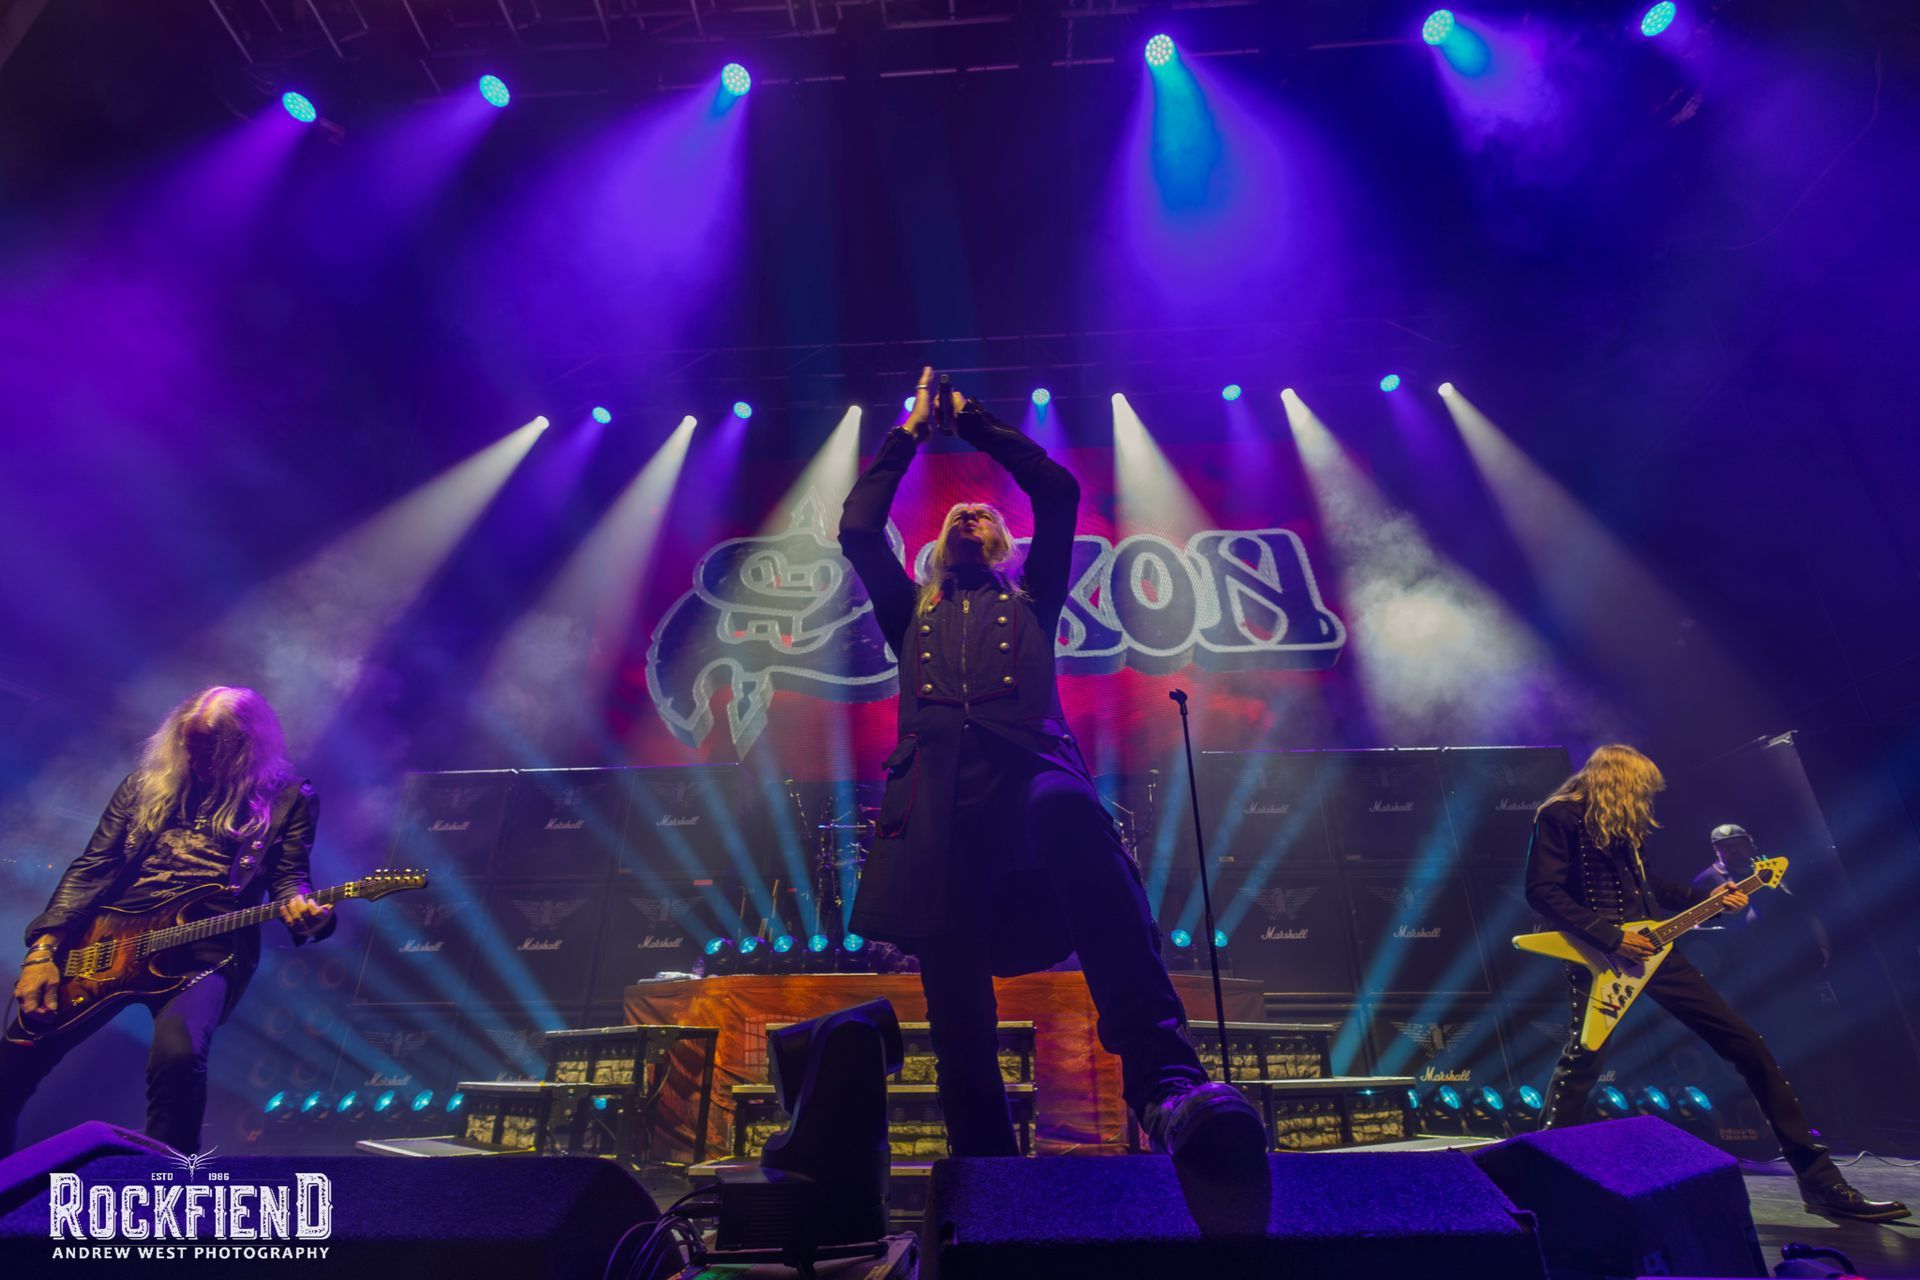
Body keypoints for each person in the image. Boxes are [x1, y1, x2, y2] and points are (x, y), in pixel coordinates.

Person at [838, 367, 1264, 1165]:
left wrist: (971, 419)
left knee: (1068, 813)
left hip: (1029, 768)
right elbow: (859, 531)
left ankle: (1166, 1086)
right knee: (955, 998)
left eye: (981, 515)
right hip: (933, 803)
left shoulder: (1032, 598)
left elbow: (1058, 491)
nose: (968, 515)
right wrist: (908, 434)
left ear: (1002, 545)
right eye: (956, 515)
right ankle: (986, 1174)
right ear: (934, 550)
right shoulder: (909, 611)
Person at [1523, 745, 1907, 1222]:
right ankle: (1541, 1178)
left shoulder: (1621, 827)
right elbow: (1541, 890)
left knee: (1747, 1045)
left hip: (1657, 952)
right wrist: (1612, 937)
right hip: (1600, 955)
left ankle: (1822, 1183)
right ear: (1617, 779)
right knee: (1583, 1061)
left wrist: (1709, 897)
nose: (1646, 798)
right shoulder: (1560, 815)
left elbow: (1649, 889)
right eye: (1642, 788)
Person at [3, 687, 335, 1155]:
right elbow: (93, 866)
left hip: (204, 947)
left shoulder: (288, 799)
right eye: (189, 748)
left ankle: (169, 1186)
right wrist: (42, 953)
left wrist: (306, 913)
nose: (196, 762)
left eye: (210, 751)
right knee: (12, 1065)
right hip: (109, 940)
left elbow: (289, 878)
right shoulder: (147, 784)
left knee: (179, 1060)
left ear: (246, 746)